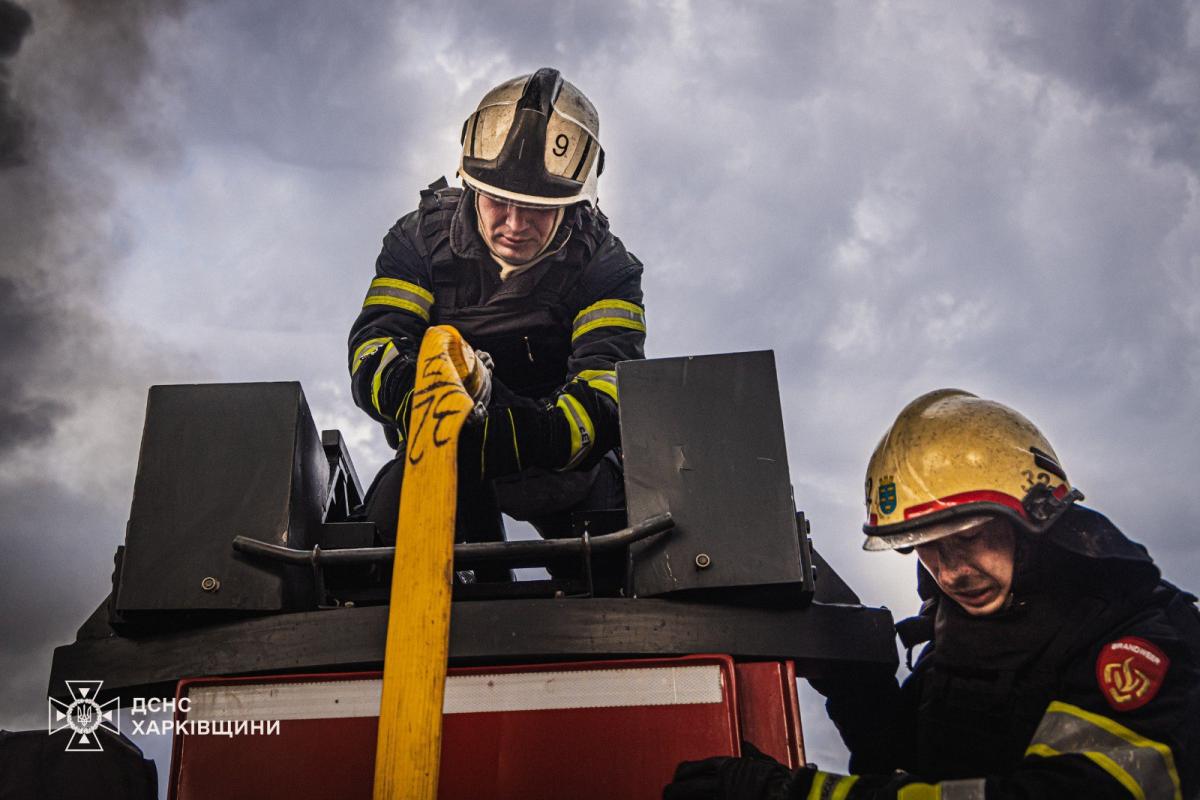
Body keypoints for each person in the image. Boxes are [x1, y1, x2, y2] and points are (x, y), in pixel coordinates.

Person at [665, 389, 1200, 799]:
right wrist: (858, 683)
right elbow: (919, 766)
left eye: (968, 538)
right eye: (926, 550)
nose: (950, 572)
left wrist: (797, 793)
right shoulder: (961, 633)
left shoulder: (1138, 642)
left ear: (1037, 521)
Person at [348, 68, 645, 557]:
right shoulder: (417, 241)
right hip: (436, 451)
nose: (514, 224)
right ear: (471, 186)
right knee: (371, 555)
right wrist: (416, 402)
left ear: (573, 204)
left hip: (561, 470)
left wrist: (521, 434)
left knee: (621, 554)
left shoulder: (607, 269)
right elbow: (374, 348)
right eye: (499, 202)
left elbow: (607, 392)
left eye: (538, 209)